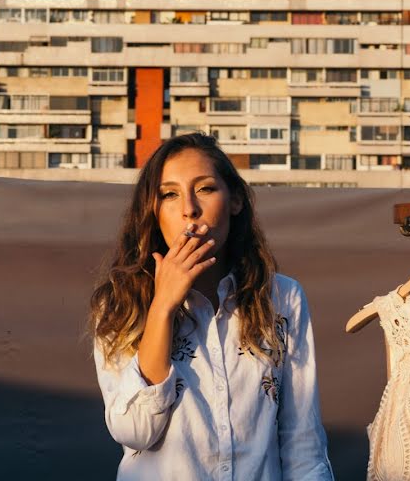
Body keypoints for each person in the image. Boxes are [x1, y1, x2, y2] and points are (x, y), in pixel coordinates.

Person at [89, 132, 333, 480]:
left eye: (205, 188)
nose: (189, 208)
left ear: (234, 200)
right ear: (153, 211)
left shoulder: (281, 298)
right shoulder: (119, 303)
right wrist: (162, 308)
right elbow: (134, 431)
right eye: (169, 194)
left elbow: (302, 441)